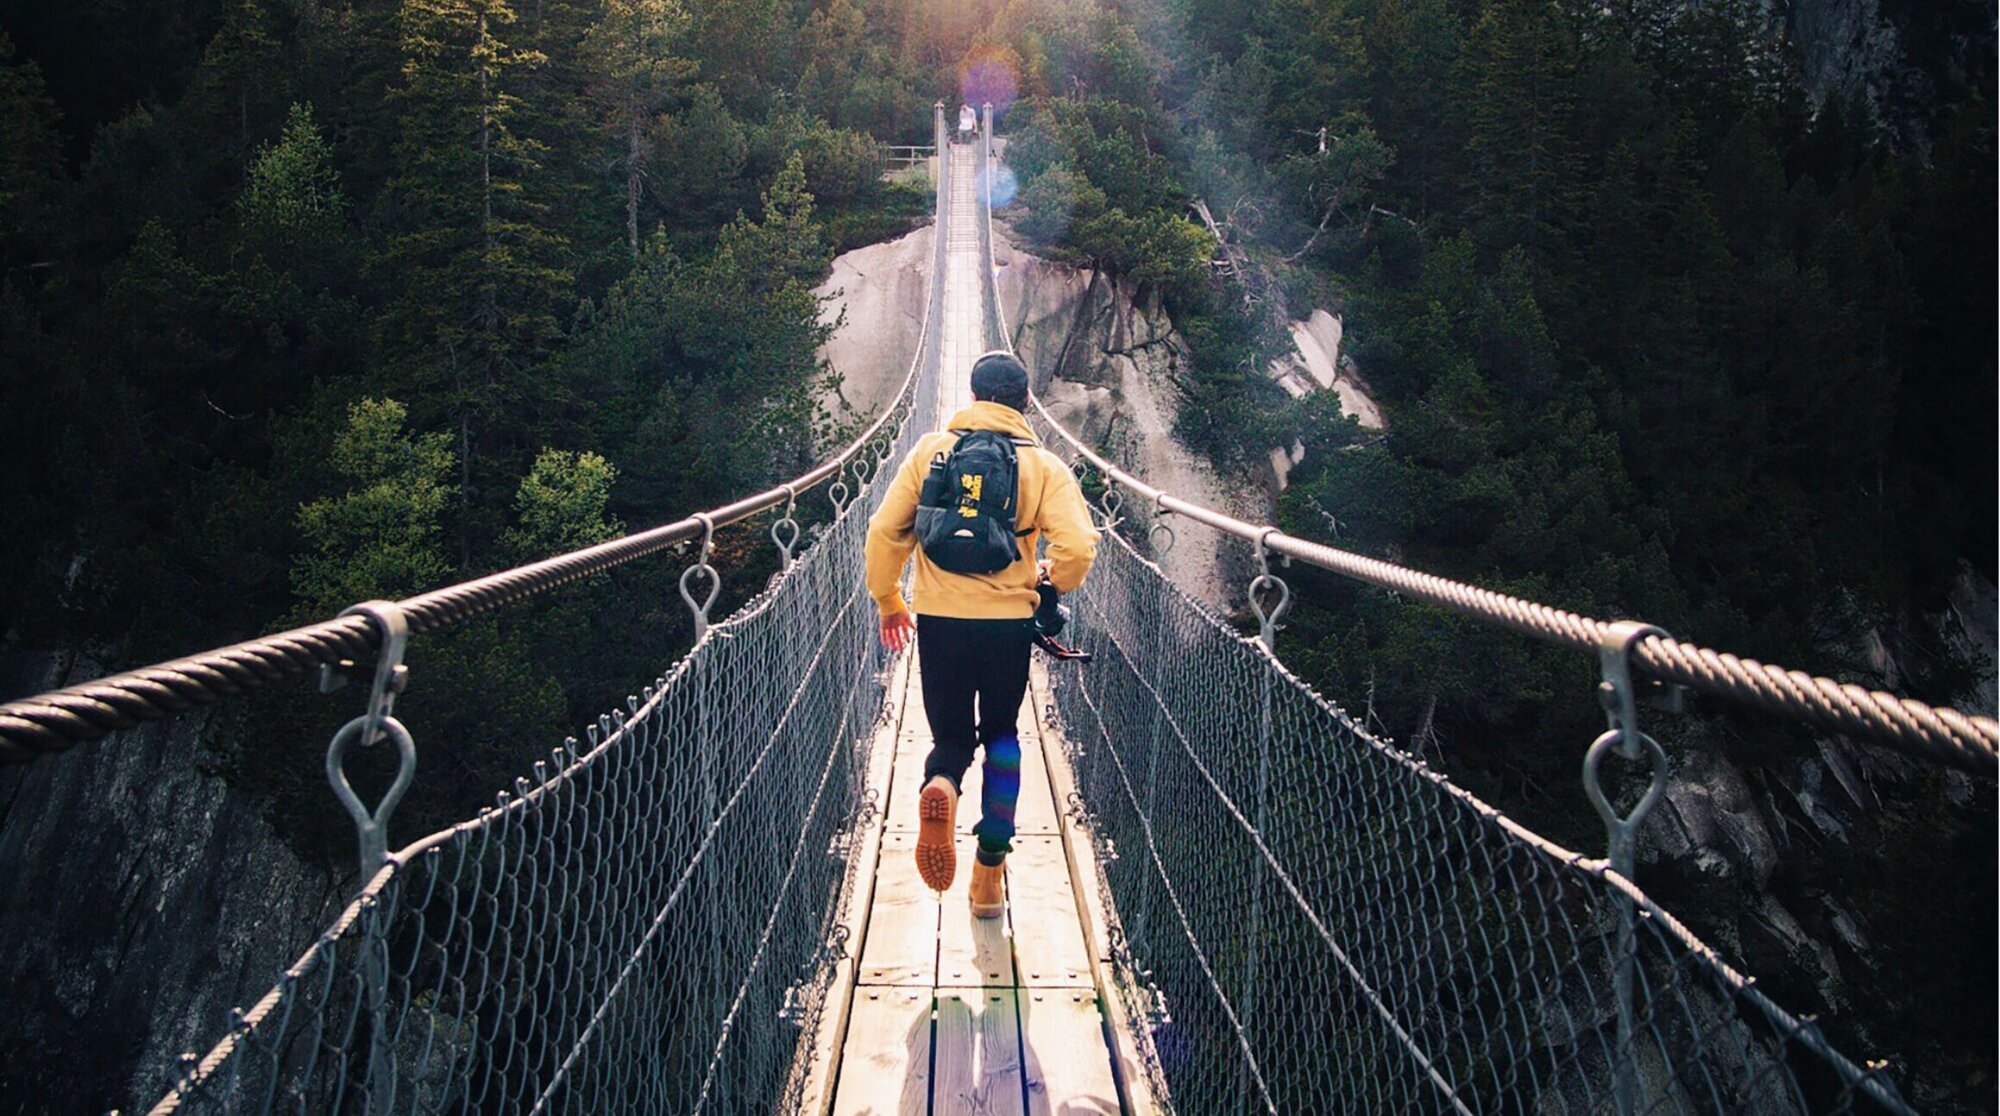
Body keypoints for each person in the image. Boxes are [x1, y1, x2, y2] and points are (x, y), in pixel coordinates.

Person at [864, 351, 1098, 917]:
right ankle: (989, 874)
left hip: (940, 621)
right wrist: (1047, 581)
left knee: (950, 738)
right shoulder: (1043, 467)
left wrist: (890, 600)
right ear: (1024, 403)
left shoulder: (930, 452)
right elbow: (1078, 549)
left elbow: (883, 531)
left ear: (971, 398)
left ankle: (941, 782)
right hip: (1007, 628)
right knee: (1001, 739)